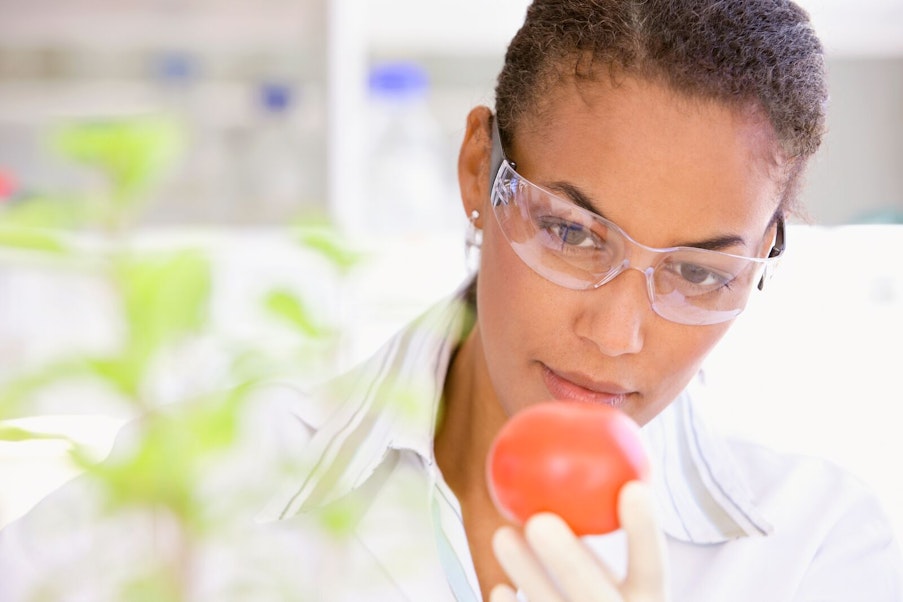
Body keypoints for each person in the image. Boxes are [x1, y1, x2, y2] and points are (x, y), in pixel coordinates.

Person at [1, 0, 901, 600]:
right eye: (572, 233)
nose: (617, 333)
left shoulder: (814, 551)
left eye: (699, 274)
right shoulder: (206, 476)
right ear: (480, 170)